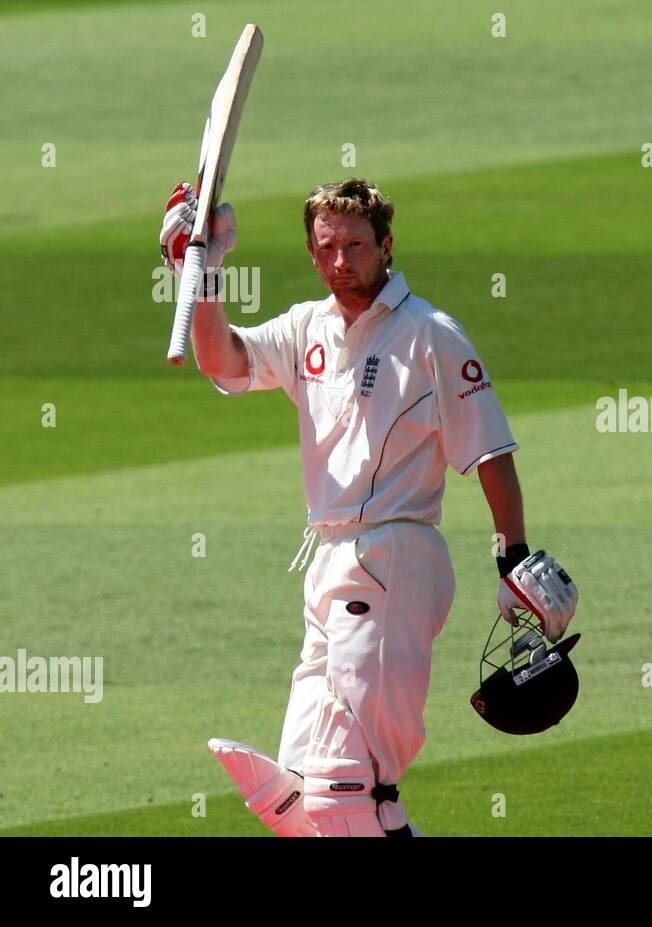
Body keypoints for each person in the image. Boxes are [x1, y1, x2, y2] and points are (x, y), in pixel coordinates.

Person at [158, 178, 578, 836]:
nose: (340, 259)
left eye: (355, 245)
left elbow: (490, 449)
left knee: (350, 788)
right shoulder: (307, 328)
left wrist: (513, 556)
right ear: (310, 250)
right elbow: (221, 357)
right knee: (295, 798)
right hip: (329, 563)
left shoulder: (430, 334)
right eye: (326, 246)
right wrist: (202, 271)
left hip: (396, 557)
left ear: (385, 246)